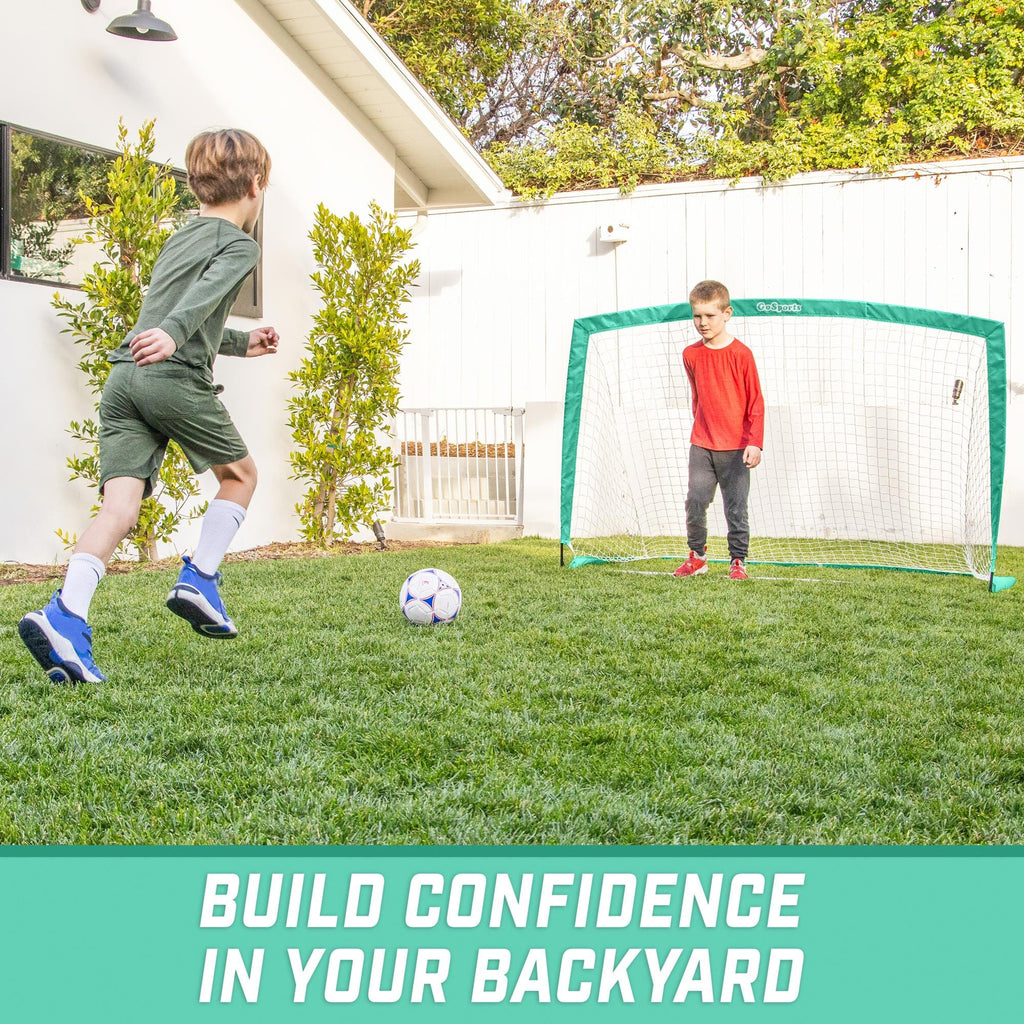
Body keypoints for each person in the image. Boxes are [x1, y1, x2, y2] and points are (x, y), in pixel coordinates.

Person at [19, 128, 279, 683]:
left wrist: (239, 342)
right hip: (169, 377)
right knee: (241, 476)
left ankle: (64, 616)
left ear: (197, 185)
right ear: (257, 185)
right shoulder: (241, 245)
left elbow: (181, 309)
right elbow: (194, 306)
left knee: (119, 511)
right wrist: (173, 334)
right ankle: (201, 578)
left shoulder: (182, 236)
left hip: (123, 381)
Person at [674, 280, 764, 581]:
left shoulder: (742, 354)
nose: (702, 323)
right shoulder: (690, 354)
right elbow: (697, 398)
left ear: (727, 313)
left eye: (710, 316)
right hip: (702, 445)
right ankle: (697, 557)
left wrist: (755, 443)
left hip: (737, 448)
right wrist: (702, 429)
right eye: (697, 316)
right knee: (695, 500)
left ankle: (738, 561)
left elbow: (755, 402)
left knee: (736, 507)